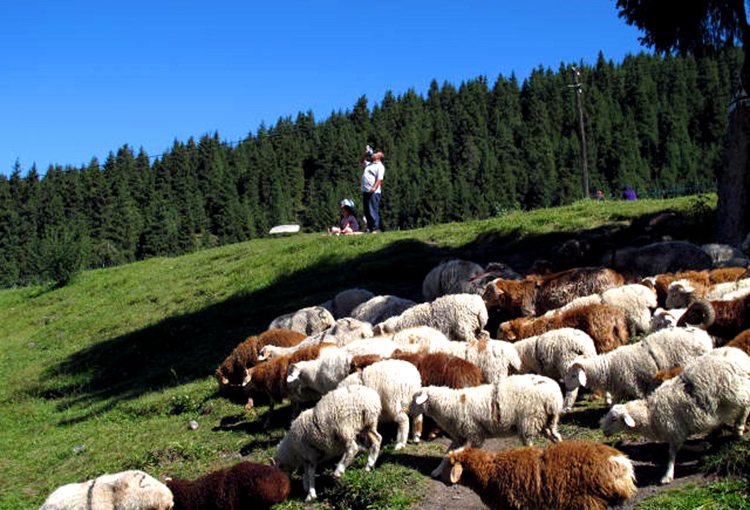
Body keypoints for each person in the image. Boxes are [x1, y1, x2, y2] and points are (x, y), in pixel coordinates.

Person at [359, 146, 385, 233]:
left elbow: (380, 179)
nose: (374, 154)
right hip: (366, 190)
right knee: (367, 210)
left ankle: (376, 228)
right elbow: (361, 161)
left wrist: (374, 187)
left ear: (379, 157)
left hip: (373, 191)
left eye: (376, 154)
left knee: (373, 209)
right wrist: (365, 154)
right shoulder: (370, 164)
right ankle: (370, 228)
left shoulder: (380, 166)